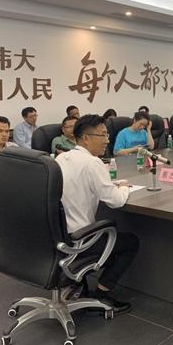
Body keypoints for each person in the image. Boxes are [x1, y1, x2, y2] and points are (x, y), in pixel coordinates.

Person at [57, 114, 138, 314]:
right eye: (103, 135)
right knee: (130, 243)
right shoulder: (93, 163)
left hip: (58, 236)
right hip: (80, 239)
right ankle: (102, 293)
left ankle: (78, 284)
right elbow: (116, 201)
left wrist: (111, 185)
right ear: (86, 138)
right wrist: (124, 187)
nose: (107, 140)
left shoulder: (61, 158)